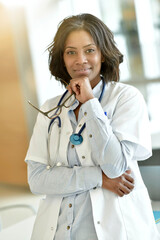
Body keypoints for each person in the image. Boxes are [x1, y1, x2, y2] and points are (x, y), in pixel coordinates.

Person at [25, 13, 160, 240]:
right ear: (63, 58)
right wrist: (100, 178)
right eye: (71, 52)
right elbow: (37, 179)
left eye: (89, 50)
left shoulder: (126, 98)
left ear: (103, 55)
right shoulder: (50, 109)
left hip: (111, 230)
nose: (80, 60)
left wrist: (90, 104)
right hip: (57, 231)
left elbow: (115, 166)